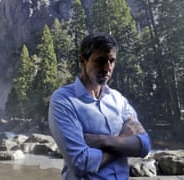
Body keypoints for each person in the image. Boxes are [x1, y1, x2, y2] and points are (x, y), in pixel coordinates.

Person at [48, 32, 151, 179]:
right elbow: (81, 164)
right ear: (82, 60)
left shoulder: (118, 99)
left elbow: (145, 145)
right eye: (100, 61)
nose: (107, 67)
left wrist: (102, 141)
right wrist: (123, 140)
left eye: (112, 60)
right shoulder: (63, 100)